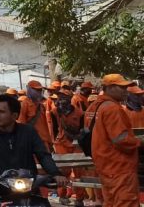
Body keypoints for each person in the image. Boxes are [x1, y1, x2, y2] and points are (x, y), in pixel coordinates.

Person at [0, 94, 67, 188]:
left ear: (14, 115)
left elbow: (43, 155)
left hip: (27, 185)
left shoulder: (29, 132)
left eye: (1, 112)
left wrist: (55, 174)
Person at [85, 74, 140, 206]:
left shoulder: (94, 107)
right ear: (109, 88)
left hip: (105, 167)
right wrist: (139, 142)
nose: (125, 91)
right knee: (126, 202)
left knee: (110, 202)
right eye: (121, 87)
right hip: (119, 168)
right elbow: (120, 140)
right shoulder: (112, 108)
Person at [49, 88, 86, 206]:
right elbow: (53, 128)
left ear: (70, 99)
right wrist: (52, 143)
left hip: (76, 143)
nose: (61, 99)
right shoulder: (55, 111)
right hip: (61, 143)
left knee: (79, 171)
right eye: (60, 96)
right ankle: (62, 195)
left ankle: (79, 198)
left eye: (64, 96)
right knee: (63, 171)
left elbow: (82, 128)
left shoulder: (79, 112)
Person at [16, 80, 53, 153]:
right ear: (29, 89)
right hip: (32, 142)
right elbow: (21, 124)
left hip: (44, 141)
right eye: (36, 90)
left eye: (40, 90)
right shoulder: (25, 104)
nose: (39, 92)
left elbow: (45, 125)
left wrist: (50, 142)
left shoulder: (41, 105)